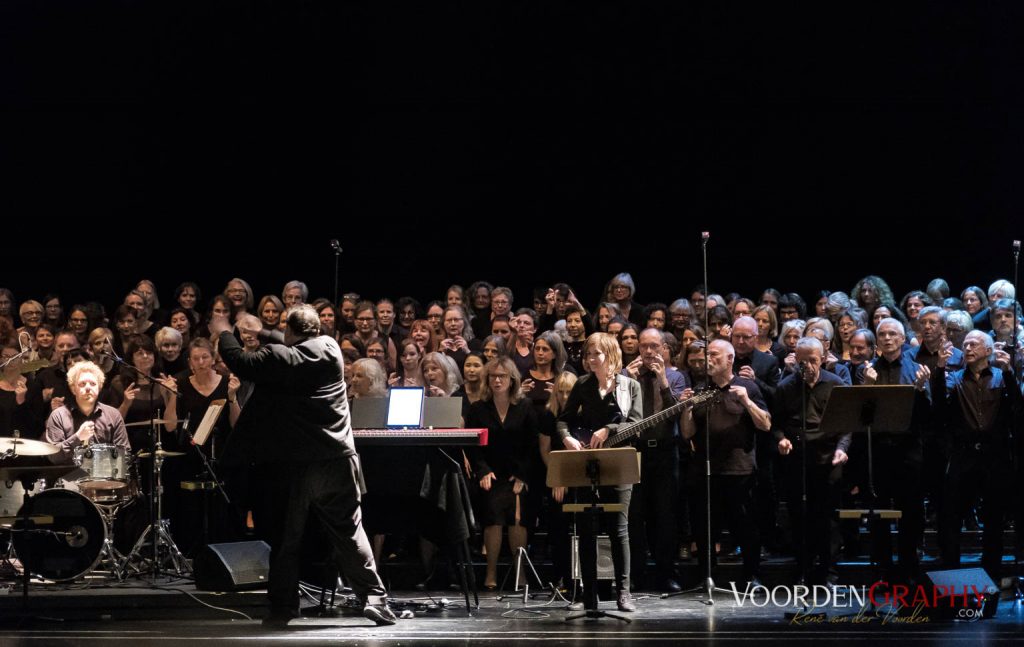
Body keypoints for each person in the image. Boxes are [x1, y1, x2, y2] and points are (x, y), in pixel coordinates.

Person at [211, 305, 396, 627]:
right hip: (338, 460)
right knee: (350, 532)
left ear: (290, 332)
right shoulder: (331, 349)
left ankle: (284, 608)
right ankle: (375, 599)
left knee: (286, 539)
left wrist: (225, 330)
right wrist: (262, 331)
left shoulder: (279, 357)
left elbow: (239, 360)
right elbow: (292, 340)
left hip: (295, 467)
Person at [555, 332, 642, 612]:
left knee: (619, 529)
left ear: (611, 354)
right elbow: (563, 421)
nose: (591, 359)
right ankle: (588, 596)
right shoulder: (582, 385)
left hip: (618, 462)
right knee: (586, 529)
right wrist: (567, 438)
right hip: (588, 463)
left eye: (597, 354)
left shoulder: (630, 386)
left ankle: (623, 593)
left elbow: (636, 424)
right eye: (588, 354)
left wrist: (609, 429)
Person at [681, 339, 770, 586]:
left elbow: (765, 424)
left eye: (714, 354)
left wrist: (746, 401)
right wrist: (686, 409)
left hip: (739, 471)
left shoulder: (747, 387)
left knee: (745, 526)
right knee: (705, 528)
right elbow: (688, 433)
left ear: (730, 359)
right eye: (707, 354)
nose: (708, 359)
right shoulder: (700, 390)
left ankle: (752, 575)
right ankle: (707, 576)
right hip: (706, 471)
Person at [772, 337, 850, 585]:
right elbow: (775, 423)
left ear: (823, 359)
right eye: (802, 361)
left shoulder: (836, 384)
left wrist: (842, 448)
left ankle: (828, 571)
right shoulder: (786, 387)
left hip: (828, 457)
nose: (807, 366)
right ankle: (802, 568)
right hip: (798, 457)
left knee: (827, 516)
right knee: (799, 515)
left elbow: (847, 426)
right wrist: (781, 439)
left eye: (813, 360)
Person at [465, 357, 539, 590]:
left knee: (518, 516)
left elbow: (532, 445)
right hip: (491, 474)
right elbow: (472, 446)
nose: (497, 380)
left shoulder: (525, 406)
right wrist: (482, 471)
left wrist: (522, 475)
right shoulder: (478, 409)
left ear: (512, 380)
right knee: (494, 513)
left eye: (502, 376)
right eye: (493, 376)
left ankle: (520, 573)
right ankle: (491, 573)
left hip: (518, 474)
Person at [626, 328, 688, 592]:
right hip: (636, 451)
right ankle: (636, 575)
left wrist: (662, 378)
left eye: (654, 346)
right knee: (634, 516)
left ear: (664, 347)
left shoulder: (675, 376)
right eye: (643, 346)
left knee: (665, 516)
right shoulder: (627, 376)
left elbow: (675, 413)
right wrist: (625, 382)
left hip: (664, 453)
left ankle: (666, 574)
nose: (648, 352)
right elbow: (618, 413)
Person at [45, 361, 130, 463]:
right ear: (73, 389)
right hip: (69, 476)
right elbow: (53, 456)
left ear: (99, 388)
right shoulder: (58, 416)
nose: (88, 388)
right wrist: (78, 437)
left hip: (105, 476)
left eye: (93, 384)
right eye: (82, 384)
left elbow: (124, 452)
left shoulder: (113, 415)